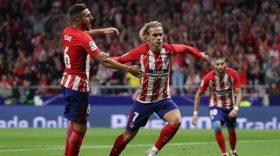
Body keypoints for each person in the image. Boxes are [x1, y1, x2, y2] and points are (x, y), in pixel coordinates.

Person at [109, 21, 210, 156]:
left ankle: (153, 151)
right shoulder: (140, 52)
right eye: (155, 35)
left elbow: (186, 48)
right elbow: (120, 59)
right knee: (127, 136)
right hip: (144, 102)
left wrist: (199, 55)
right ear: (147, 38)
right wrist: (105, 59)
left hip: (163, 99)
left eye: (161, 35)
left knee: (176, 121)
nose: (158, 38)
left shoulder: (169, 50)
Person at [61, 4, 143, 156]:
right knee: (81, 128)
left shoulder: (67, 31)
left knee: (74, 121)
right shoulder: (84, 38)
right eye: (87, 16)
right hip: (78, 86)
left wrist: (103, 31)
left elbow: (83, 35)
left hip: (66, 82)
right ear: (78, 20)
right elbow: (104, 61)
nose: (91, 17)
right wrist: (129, 69)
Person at [192, 56, 242, 156]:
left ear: (226, 64)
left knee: (231, 131)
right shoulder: (208, 77)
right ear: (214, 66)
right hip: (215, 105)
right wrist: (195, 113)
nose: (220, 66)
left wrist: (235, 108)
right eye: (217, 64)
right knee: (217, 126)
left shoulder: (233, 74)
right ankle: (224, 153)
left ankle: (233, 151)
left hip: (230, 106)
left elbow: (239, 93)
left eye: (222, 64)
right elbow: (199, 94)